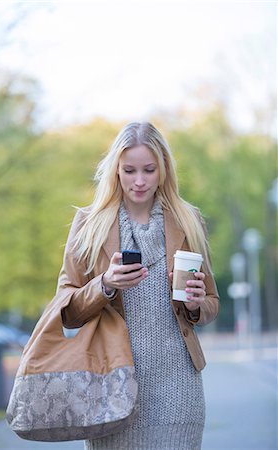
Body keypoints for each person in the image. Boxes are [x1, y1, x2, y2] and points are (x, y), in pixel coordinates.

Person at [58, 122, 219, 450]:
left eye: (149, 169)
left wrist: (196, 304)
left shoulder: (189, 220)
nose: (140, 180)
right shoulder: (89, 224)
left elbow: (211, 303)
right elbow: (66, 310)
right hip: (112, 384)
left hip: (179, 386)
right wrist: (104, 284)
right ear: (115, 170)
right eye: (130, 170)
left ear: (164, 169)